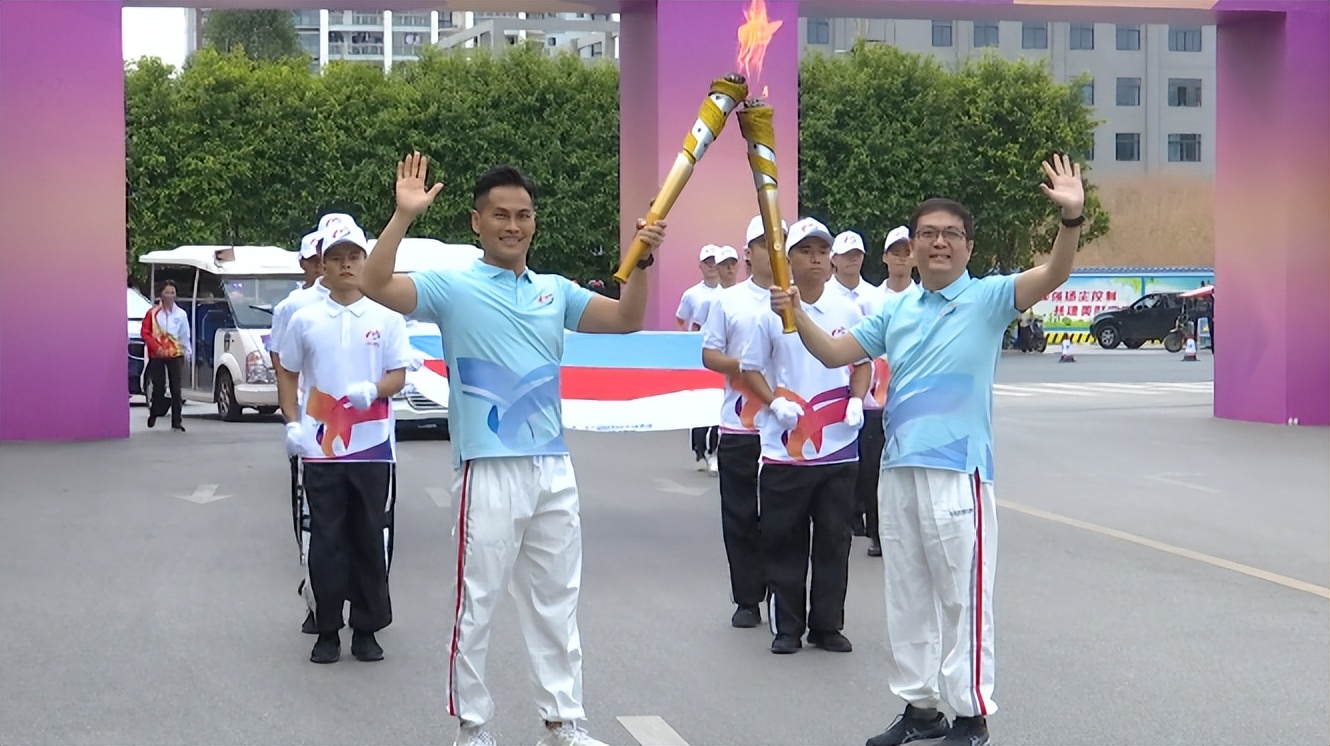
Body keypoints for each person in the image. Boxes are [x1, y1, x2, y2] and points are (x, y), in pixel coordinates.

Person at [771, 155, 1086, 746]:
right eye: (927, 234)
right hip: (897, 470)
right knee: (908, 594)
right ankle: (920, 708)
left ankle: (970, 715)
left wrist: (1071, 221)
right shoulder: (896, 310)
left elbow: (1053, 275)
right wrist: (794, 316)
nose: (939, 243)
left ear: (968, 245)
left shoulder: (991, 298)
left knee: (962, 597)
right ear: (912, 247)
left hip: (957, 472)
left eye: (951, 234)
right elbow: (835, 355)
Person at [359, 153, 666, 746]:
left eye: (523, 215)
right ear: (477, 222)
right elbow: (374, 284)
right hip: (487, 469)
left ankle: (562, 722)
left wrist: (644, 260)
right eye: (500, 214)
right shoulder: (452, 287)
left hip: (552, 465)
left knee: (557, 601)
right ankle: (473, 727)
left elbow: (627, 317)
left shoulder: (557, 292)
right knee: (476, 604)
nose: (513, 225)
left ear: (534, 222)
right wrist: (402, 216)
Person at [277, 216, 413, 666]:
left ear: (364, 261)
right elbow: (289, 372)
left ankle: (367, 628)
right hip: (321, 445)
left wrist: (374, 390)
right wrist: (292, 422)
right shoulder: (305, 317)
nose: (346, 265)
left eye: (354, 257)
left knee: (369, 536)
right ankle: (327, 628)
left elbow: (398, 373)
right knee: (326, 538)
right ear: (324, 266)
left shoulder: (386, 317)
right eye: (336, 258)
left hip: (373, 444)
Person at [740, 217, 870, 656]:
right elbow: (750, 369)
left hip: (838, 449)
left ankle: (827, 625)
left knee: (834, 540)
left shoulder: (848, 310)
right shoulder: (769, 315)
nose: (816, 259)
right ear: (788, 260)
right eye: (806, 251)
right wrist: (774, 402)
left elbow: (863, 360)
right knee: (784, 540)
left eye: (821, 252)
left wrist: (857, 398)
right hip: (786, 450)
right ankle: (787, 627)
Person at [699, 215, 786, 629]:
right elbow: (710, 354)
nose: (771, 251)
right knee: (740, 514)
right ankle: (747, 598)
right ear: (748, 252)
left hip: (786, 427)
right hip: (740, 425)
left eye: (778, 243)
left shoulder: (795, 298)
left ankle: (780, 592)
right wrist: (750, 366)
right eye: (763, 243)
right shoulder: (728, 301)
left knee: (781, 517)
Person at [268, 228, 332, 635]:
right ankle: (316, 599)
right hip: (311, 428)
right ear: (305, 262)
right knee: (312, 521)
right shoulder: (294, 307)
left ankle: (365, 609)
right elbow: (283, 365)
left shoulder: (367, 300)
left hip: (360, 436)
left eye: (338, 254)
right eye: (319, 256)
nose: (326, 263)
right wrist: (292, 418)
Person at [856, 226, 920, 557]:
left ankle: (908, 530)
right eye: (895, 252)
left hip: (912, 399)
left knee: (908, 467)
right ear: (884, 257)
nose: (901, 258)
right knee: (873, 470)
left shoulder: (926, 299)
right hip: (874, 400)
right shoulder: (870, 300)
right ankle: (878, 532)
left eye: (906, 251)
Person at [679, 244, 726, 473]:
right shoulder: (692, 294)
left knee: (718, 404)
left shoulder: (728, 293)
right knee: (700, 406)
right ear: (700, 266)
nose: (712, 267)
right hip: (698, 357)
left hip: (721, 355)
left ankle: (714, 450)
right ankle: (700, 448)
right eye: (707, 263)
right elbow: (682, 319)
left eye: (715, 262)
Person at [142, 279, 192, 432]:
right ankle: (154, 411)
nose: (170, 296)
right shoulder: (153, 314)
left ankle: (176, 421)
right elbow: (145, 333)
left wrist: (187, 353)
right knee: (159, 387)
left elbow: (184, 335)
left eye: (172, 293)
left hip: (175, 354)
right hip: (158, 354)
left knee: (176, 389)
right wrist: (155, 347)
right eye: (167, 292)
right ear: (161, 295)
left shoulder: (181, 315)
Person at [830, 230, 885, 316]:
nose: (853, 259)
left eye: (857, 254)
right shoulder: (822, 294)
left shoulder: (876, 295)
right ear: (833, 259)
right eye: (846, 254)